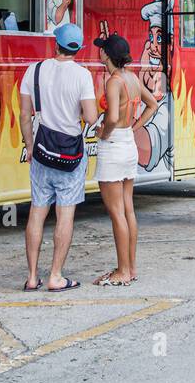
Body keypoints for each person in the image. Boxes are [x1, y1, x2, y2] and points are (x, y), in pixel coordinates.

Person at [20, 23, 99, 293]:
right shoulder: (83, 75)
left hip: (41, 151)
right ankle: (55, 276)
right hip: (70, 156)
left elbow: (24, 114)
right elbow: (90, 117)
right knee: (65, 215)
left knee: (37, 212)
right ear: (78, 49)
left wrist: (29, 146)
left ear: (56, 44)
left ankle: (32, 277)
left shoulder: (35, 70)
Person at [92, 33, 160, 286]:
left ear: (107, 55)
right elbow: (152, 104)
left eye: (102, 50)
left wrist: (103, 133)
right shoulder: (131, 78)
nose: (99, 52)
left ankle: (122, 271)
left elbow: (110, 117)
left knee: (116, 212)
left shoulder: (114, 81)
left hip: (113, 147)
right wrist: (133, 127)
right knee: (128, 209)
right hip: (128, 145)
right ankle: (130, 267)